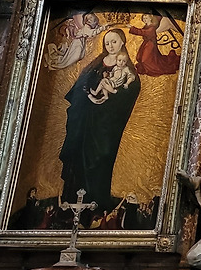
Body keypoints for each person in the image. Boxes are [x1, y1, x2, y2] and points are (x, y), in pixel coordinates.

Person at [59, 28, 142, 209]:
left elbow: (132, 89)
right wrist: (88, 95)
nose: (110, 46)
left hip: (106, 123)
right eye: (107, 43)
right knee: (78, 154)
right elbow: (82, 83)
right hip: (86, 118)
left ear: (122, 42)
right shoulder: (97, 62)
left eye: (114, 42)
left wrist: (110, 97)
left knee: (102, 156)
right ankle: (71, 201)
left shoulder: (127, 68)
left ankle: (97, 202)